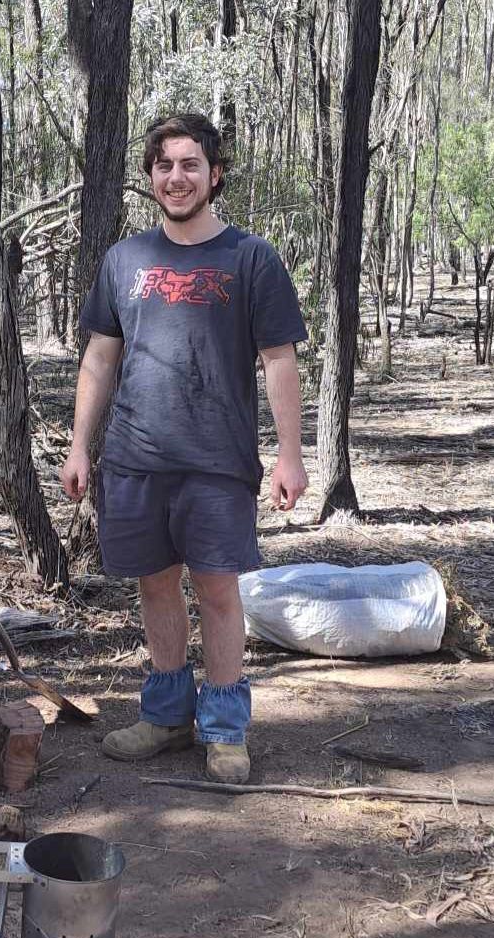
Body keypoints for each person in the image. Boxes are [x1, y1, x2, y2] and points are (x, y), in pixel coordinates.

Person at [59, 112, 309, 785]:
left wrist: (291, 455)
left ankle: (225, 729)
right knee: (155, 587)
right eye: (165, 165)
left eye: (191, 164)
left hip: (217, 460)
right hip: (136, 460)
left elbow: (279, 360)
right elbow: (99, 358)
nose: (177, 177)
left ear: (215, 174)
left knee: (219, 591)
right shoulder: (125, 261)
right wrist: (81, 446)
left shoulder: (249, 258)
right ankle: (167, 716)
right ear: (150, 177)